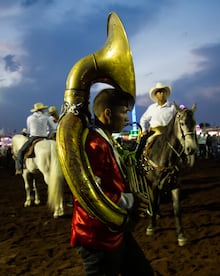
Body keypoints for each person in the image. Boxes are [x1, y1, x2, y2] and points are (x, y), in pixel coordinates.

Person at [71, 88, 153, 275]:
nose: (126, 117)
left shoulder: (103, 138)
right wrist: (132, 200)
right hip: (96, 235)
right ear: (108, 113)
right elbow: (93, 191)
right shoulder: (94, 143)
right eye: (123, 112)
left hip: (111, 229)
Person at [137, 82, 176, 156]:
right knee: (143, 141)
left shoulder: (172, 107)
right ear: (156, 95)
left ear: (165, 94)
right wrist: (144, 130)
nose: (161, 93)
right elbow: (143, 119)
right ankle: (138, 159)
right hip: (154, 132)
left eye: (163, 91)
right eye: (159, 92)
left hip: (168, 133)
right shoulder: (152, 107)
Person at [15, 102, 54, 175]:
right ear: (42, 110)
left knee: (20, 152)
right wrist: (49, 136)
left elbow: (29, 130)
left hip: (33, 137)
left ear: (35, 110)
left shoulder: (30, 118)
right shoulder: (46, 117)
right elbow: (53, 128)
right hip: (45, 137)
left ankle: (19, 168)